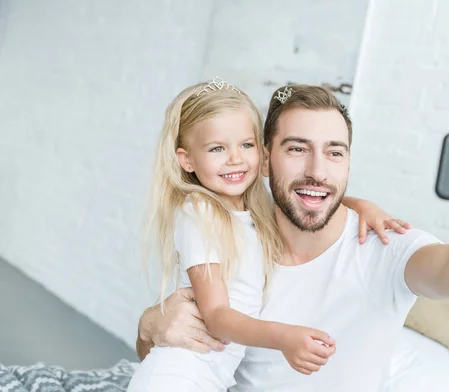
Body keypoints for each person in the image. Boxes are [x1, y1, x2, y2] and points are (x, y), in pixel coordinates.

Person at [135, 84, 449, 391]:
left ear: (347, 164)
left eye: (334, 152)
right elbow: (168, 358)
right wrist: (148, 326)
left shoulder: (383, 244)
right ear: (265, 161)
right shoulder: (240, 229)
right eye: (297, 148)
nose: (318, 170)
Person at [126, 78, 412, 392]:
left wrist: (362, 205)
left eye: (245, 145)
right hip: (180, 377)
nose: (235, 158)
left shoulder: (247, 215)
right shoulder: (200, 213)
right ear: (187, 160)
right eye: (217, 148)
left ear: (262, 156)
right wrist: (283, 337)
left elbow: (308, 195)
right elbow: (217, 316)